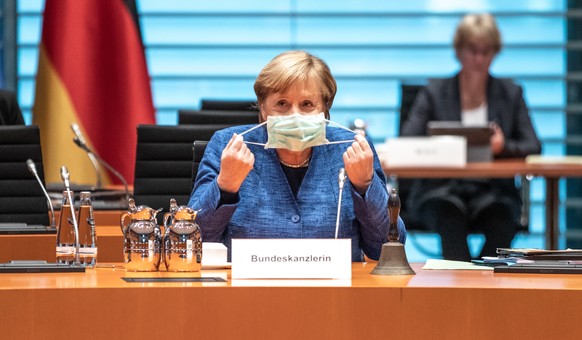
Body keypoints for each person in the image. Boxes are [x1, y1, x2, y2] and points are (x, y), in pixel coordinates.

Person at [189, 50, 406, 261]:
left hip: (334, 294)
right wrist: (225, 185)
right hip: (246, 293)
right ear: (263, 107)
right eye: (282, 104)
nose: (294, 115)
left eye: (307, 104)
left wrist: (365, 186)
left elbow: (388, 247)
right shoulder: (228, 146)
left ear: (324, 108)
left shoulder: (351, 148)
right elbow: (192, 243)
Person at [401, 13, 541, 261]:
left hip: (493, 191)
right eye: (472, 50)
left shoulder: (511, 93)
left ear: (495, 53)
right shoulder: (434, 92)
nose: (478, 58)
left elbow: (533, 144)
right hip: (441, 190)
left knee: (502, 220)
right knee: (450, 217)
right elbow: (407, 140)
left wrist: (502, 146)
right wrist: (441, 146)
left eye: (485, 51)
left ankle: (482, 287)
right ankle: (463, 289)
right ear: (458, 51)